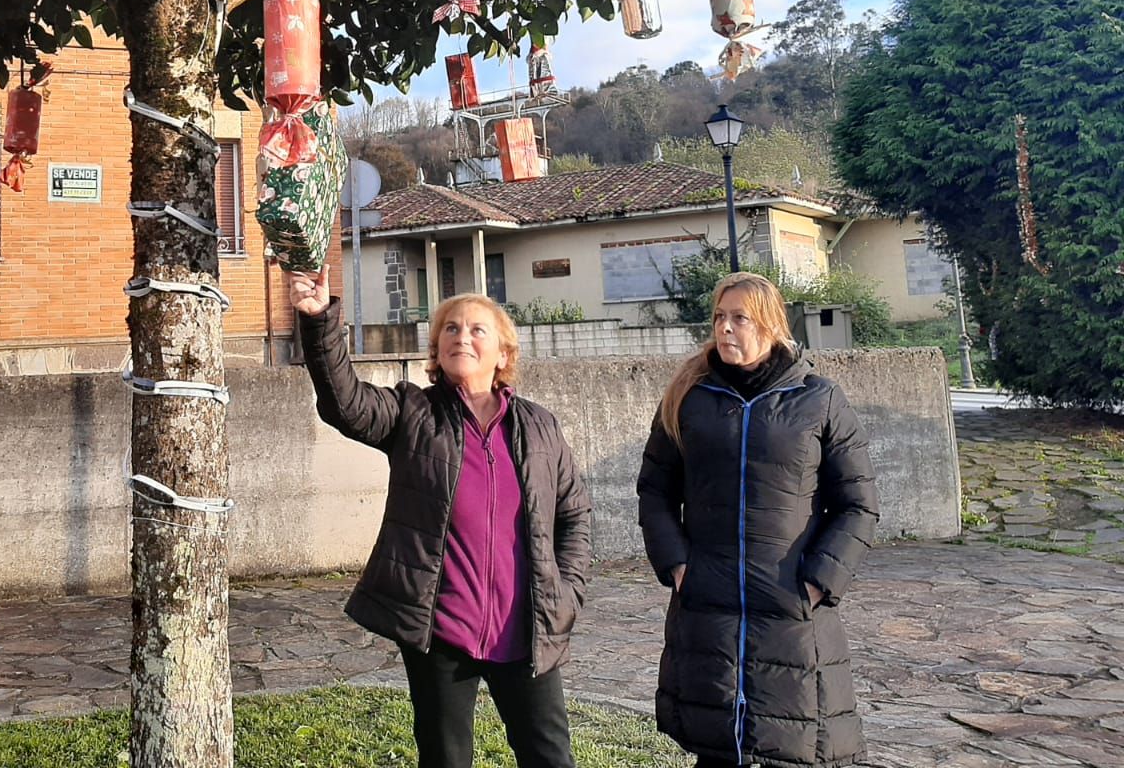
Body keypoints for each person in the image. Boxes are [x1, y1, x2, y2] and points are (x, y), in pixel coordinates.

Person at [289, 267, 592, 768]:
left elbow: (574, 513)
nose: (461, 337)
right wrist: (321, 320)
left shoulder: (539, 426)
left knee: (550, 756)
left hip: (527, 626)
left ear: (504, 353)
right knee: (445, 758)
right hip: (443, 630)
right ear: (436, 349)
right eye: (450, 328)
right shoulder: (413, 414)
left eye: (477, 329)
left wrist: (567, 591)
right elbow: (345, 403)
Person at [637, 272, 879, 768]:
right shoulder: (689, 397)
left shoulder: (818, 399)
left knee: (791, 743)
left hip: (791, 606)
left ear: (769, 324)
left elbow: (857, 503)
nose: (725, 328)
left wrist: (819, 581)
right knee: (717, 744)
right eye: (719, 317)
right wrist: (678, 565)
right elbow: (654, 490)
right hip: (708, 603)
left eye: (739, 318)